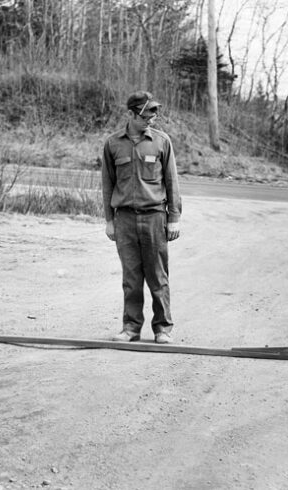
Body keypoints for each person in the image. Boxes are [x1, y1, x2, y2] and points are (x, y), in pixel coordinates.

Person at [101, 91, 182, 344]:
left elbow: (172, 181)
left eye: (154, 114)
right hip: (124, 219)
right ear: (130, 114)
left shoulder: (161, 142)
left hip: (154, 217)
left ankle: (162, 329)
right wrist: (109, 220)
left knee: (158, 277)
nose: (152, 119)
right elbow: (107, 184)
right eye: (147, 114)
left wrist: (174, 217)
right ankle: (131, 328)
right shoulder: (113, 144)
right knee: (131, 278)